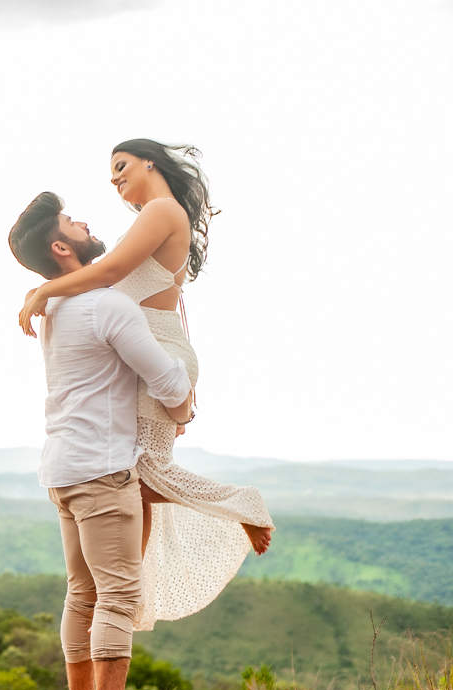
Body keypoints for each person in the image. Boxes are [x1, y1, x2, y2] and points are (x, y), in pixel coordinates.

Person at [14, 140, 275, 633]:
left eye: (121, 166)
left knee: (140, 474)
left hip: (156, 350)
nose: (114, 179)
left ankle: (242, 504)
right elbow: (98, 280)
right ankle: (127, 591)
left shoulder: (159, 209)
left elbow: (107, 274)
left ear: (149, 161)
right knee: (135, 475)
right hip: (149, 348)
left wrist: (44, 288)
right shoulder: (153, 215)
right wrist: (42, 288)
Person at [8, 191, 191, 690]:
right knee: (118, 593)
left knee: (82, 592)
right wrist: (184, 406)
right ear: (63, 247)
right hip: (103, 469)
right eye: (72, 222)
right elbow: (167, 381)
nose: (86, 222)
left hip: (62, 469)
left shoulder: (58, 309)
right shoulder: (107, 306)